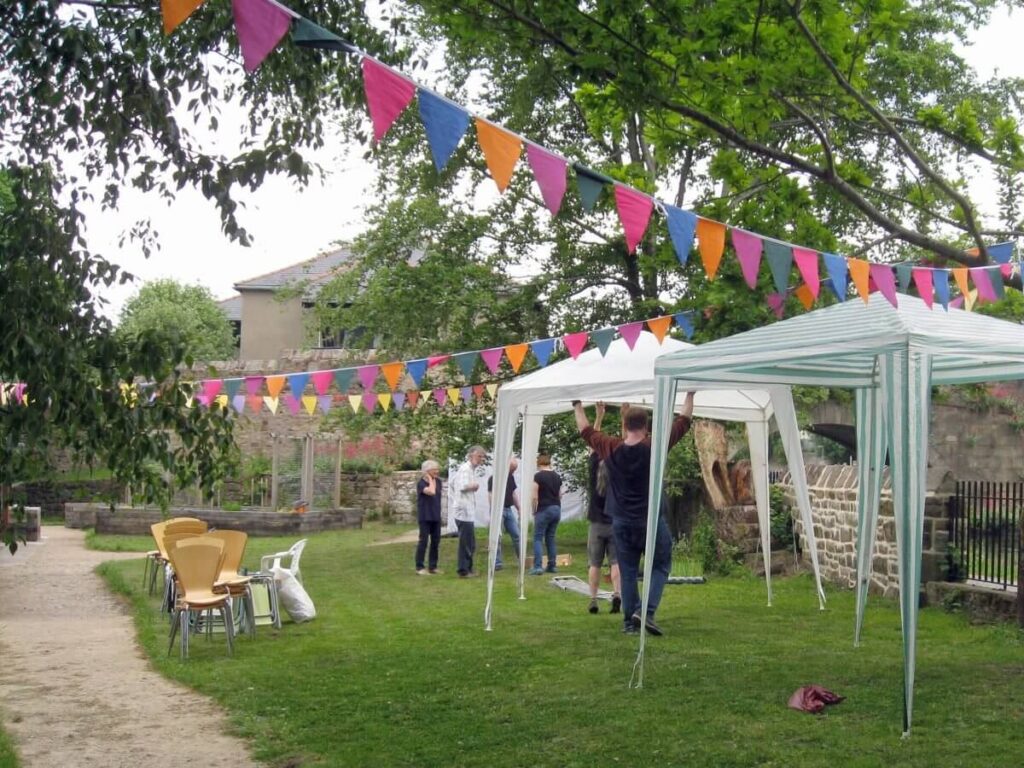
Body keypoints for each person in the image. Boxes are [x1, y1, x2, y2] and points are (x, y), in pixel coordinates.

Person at [573, 393, 694, 635]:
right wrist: (690, 393)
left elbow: (585, 430)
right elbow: (684, 420)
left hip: (621, 522)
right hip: (650, 521)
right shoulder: (655, 446)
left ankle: (630, 623)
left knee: (627, 571)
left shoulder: (611, 448)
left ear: (625, 426)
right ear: (647, 426)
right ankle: (645, 613)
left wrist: (576, 404)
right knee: (660, 565)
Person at [585, 402, 621, 615]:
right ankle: (617, 594)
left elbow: (591, 438)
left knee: (594, 563)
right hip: (615, 522)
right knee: (616, 562)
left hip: (596, 523)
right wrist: (625, 417)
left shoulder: (593, 468)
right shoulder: (618, 467)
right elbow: (628, 445)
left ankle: (593, 599)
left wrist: (599, 416)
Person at [450, 445, 487, 578]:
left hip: (466, 510)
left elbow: (452, 483)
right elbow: (461, 486)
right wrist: (474, 485)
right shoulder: (465, 469)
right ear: (471, 455)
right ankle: (463, 571)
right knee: (466, 543)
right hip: (463, 511)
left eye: (482, 457)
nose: (481, 459)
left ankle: (468, 569)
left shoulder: (469, 469)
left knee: (470, 542)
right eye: (479, 456)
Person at [529, 453, 563, 575]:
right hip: (556, 509)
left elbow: (534, 496)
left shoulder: (538, 476)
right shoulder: (557, 476)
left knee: (538, 538)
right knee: (551, 537)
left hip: (544, 509)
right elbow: (560, 495)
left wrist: (534, 510)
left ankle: (538, 567)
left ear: (539, 464)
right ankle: (552, 565)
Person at [487, 456, 521, 571]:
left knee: (517, 535)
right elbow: (491, 495)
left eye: (515, 469)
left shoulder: (511, 478)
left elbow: (513, 494)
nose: (513, 472)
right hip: (499, 510)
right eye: (512, 469)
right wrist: (494, 511)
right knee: (498, 537)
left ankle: (521, 559)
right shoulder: (494, 478)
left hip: (508, 510)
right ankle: (497, 563)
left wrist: (519, 508)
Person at [414, 459, 443, 575]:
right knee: (424, 541)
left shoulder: (439, 481)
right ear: (427, 471)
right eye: (434, 469)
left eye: (437, 469)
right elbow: (431, 492)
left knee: (436, 541)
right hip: (425, 516)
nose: (437, 471)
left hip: (436, 516)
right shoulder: (421, 483)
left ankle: (433, 567)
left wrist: (433, 479)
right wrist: (430, 479)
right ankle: (420, 567)